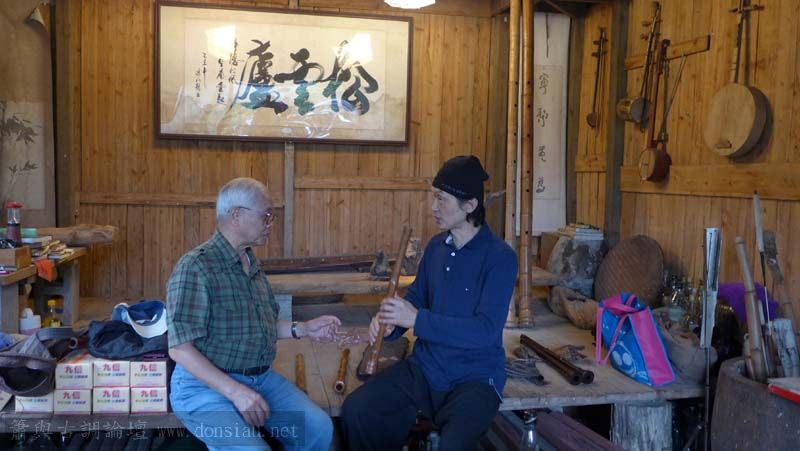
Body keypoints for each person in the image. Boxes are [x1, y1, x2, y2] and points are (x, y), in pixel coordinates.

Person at [341, 155, 519, 451]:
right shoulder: (436, 247)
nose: (433, 207)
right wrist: (391, 324)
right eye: (433, 197)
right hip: (426, 367)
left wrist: (416, 320)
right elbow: (417, 298)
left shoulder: (500, 258)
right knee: (358, 410)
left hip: (474, 377)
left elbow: (485, 331)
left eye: (441, 199)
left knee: (450, 445)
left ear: (470, 205)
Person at [166, 177, 340, 450]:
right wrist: (236, 391)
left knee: (318, 429)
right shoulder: (196, 267)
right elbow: (180, 349)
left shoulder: (250, 263)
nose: (270, 223)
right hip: (202, 387)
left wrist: (303, 328)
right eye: (266, 216)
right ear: (236, 215)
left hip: (259, 379)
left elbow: (263, 325)